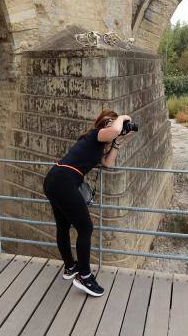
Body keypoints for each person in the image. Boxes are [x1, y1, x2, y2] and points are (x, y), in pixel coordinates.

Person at [43, 109, 135, 297]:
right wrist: (123, 117)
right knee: (85, 228)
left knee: (63, 225)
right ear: (103, 124)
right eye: (111, 121)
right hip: (63, 180)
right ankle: (84, 276)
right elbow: (114, 130)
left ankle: (70, 267)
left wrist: (117, 143)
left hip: (55, 180)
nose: (116, 124)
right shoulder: (97, 134)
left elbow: (108, 163)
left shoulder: (97, 144)